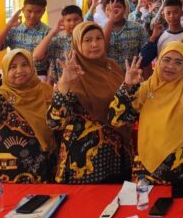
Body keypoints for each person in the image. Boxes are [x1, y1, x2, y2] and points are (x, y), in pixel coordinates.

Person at [109, 44, 183, 194]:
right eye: (166, 60)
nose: (171, 66)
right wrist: (127, 86)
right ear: (159, 61)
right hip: (146, 170)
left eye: (178, 62)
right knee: (143, 206)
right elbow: (117, 119)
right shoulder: (147, 87)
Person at [47, 21, 128, 183]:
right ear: (77, 43)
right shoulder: (72, 73)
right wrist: (65, 82)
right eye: (87, 40)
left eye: (99, 38)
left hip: (115, 152)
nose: (94, 44)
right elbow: (54, 121)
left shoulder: (112, 67)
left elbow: (124, 105)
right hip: (83, 158)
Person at [0, 49, 55, 182]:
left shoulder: (46, 90)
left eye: (24, 64)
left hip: (46, 167)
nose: (19, 70)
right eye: (13, 67)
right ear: (5, 71)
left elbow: (58, 121)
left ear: (32, 66)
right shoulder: (1, 97)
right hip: (10, 174)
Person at [0, 0, 50, 77]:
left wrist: (48, 82)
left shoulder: (48, 32)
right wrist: (8, 26)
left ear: (43, 11)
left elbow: (52, 61)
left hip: (38, 74)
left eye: (38, 12)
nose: (32, 16)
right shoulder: (13, 29)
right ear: (23, 10)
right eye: (29, 11)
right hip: (15, 74)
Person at [95, 0, 149, 69]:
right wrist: (111, 20)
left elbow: (146, 54)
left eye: (118, 7)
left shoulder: (137, 28)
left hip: (132, 73)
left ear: (124, 9)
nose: (113, 12)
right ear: (104, 11)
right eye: (109, 9)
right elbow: (102, 51)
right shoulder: (99, 30)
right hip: (109, 73)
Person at [33, 5, 83, 85]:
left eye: (76, 19)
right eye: (68, 20)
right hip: (61, 85)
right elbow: (36, 55)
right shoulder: (58, 41)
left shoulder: (87, 40)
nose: (72, 23)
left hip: (83, 84)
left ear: (82, 20)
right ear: (63, 22)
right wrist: (53, 31)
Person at [140, 0, 183, 67]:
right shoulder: (160, 36)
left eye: (175, 12)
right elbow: (143, 60)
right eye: (168, 13)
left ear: (182, 13)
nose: (172, 16)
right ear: (163, 15)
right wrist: (153, 37)